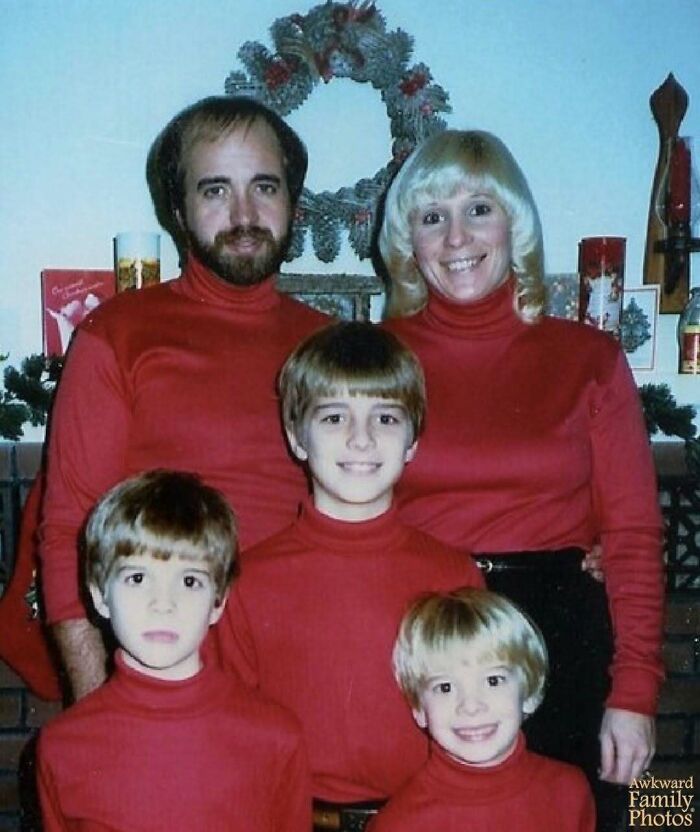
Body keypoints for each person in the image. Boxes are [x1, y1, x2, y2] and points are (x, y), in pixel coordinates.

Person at [378, 129, 664, 830]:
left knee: (617, 815)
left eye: (479, 209)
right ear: (408, 240)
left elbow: (632, 534)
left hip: (563, 633)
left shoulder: (590, 358)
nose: (456, 237)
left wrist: (635, 694)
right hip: (425, 635)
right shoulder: (377, 359)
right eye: (432, 216)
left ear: (517, 224)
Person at [39, 95, 327, 701]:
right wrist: (101, 711)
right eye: (215, 190)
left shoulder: (332, 346)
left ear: (293, 204)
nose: (244, 214)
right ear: (178, 209)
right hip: (166, 677)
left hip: (309, 667)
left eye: (265, 187)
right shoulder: (118, 336)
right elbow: (70, 530)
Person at [215, 321, 484, 832]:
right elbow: (232, 737)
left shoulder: (453, 573)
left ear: (412, 440)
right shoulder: (249, 580)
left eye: (386, 417)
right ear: (297, 437)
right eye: (335, 417)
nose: (362, 439)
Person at [37, 469, 311, 832]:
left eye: (189, 581)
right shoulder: (63, 746)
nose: (163, 603)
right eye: (137, 578)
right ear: (100, 595)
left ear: (218, 601)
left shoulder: (275, 737)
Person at [368, 587, 596, 831]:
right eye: (445, 687)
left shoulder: (569, 792)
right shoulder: (399, 824)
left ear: (529, 692)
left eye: (493, 680)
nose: (471, 706)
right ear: (419, 709)